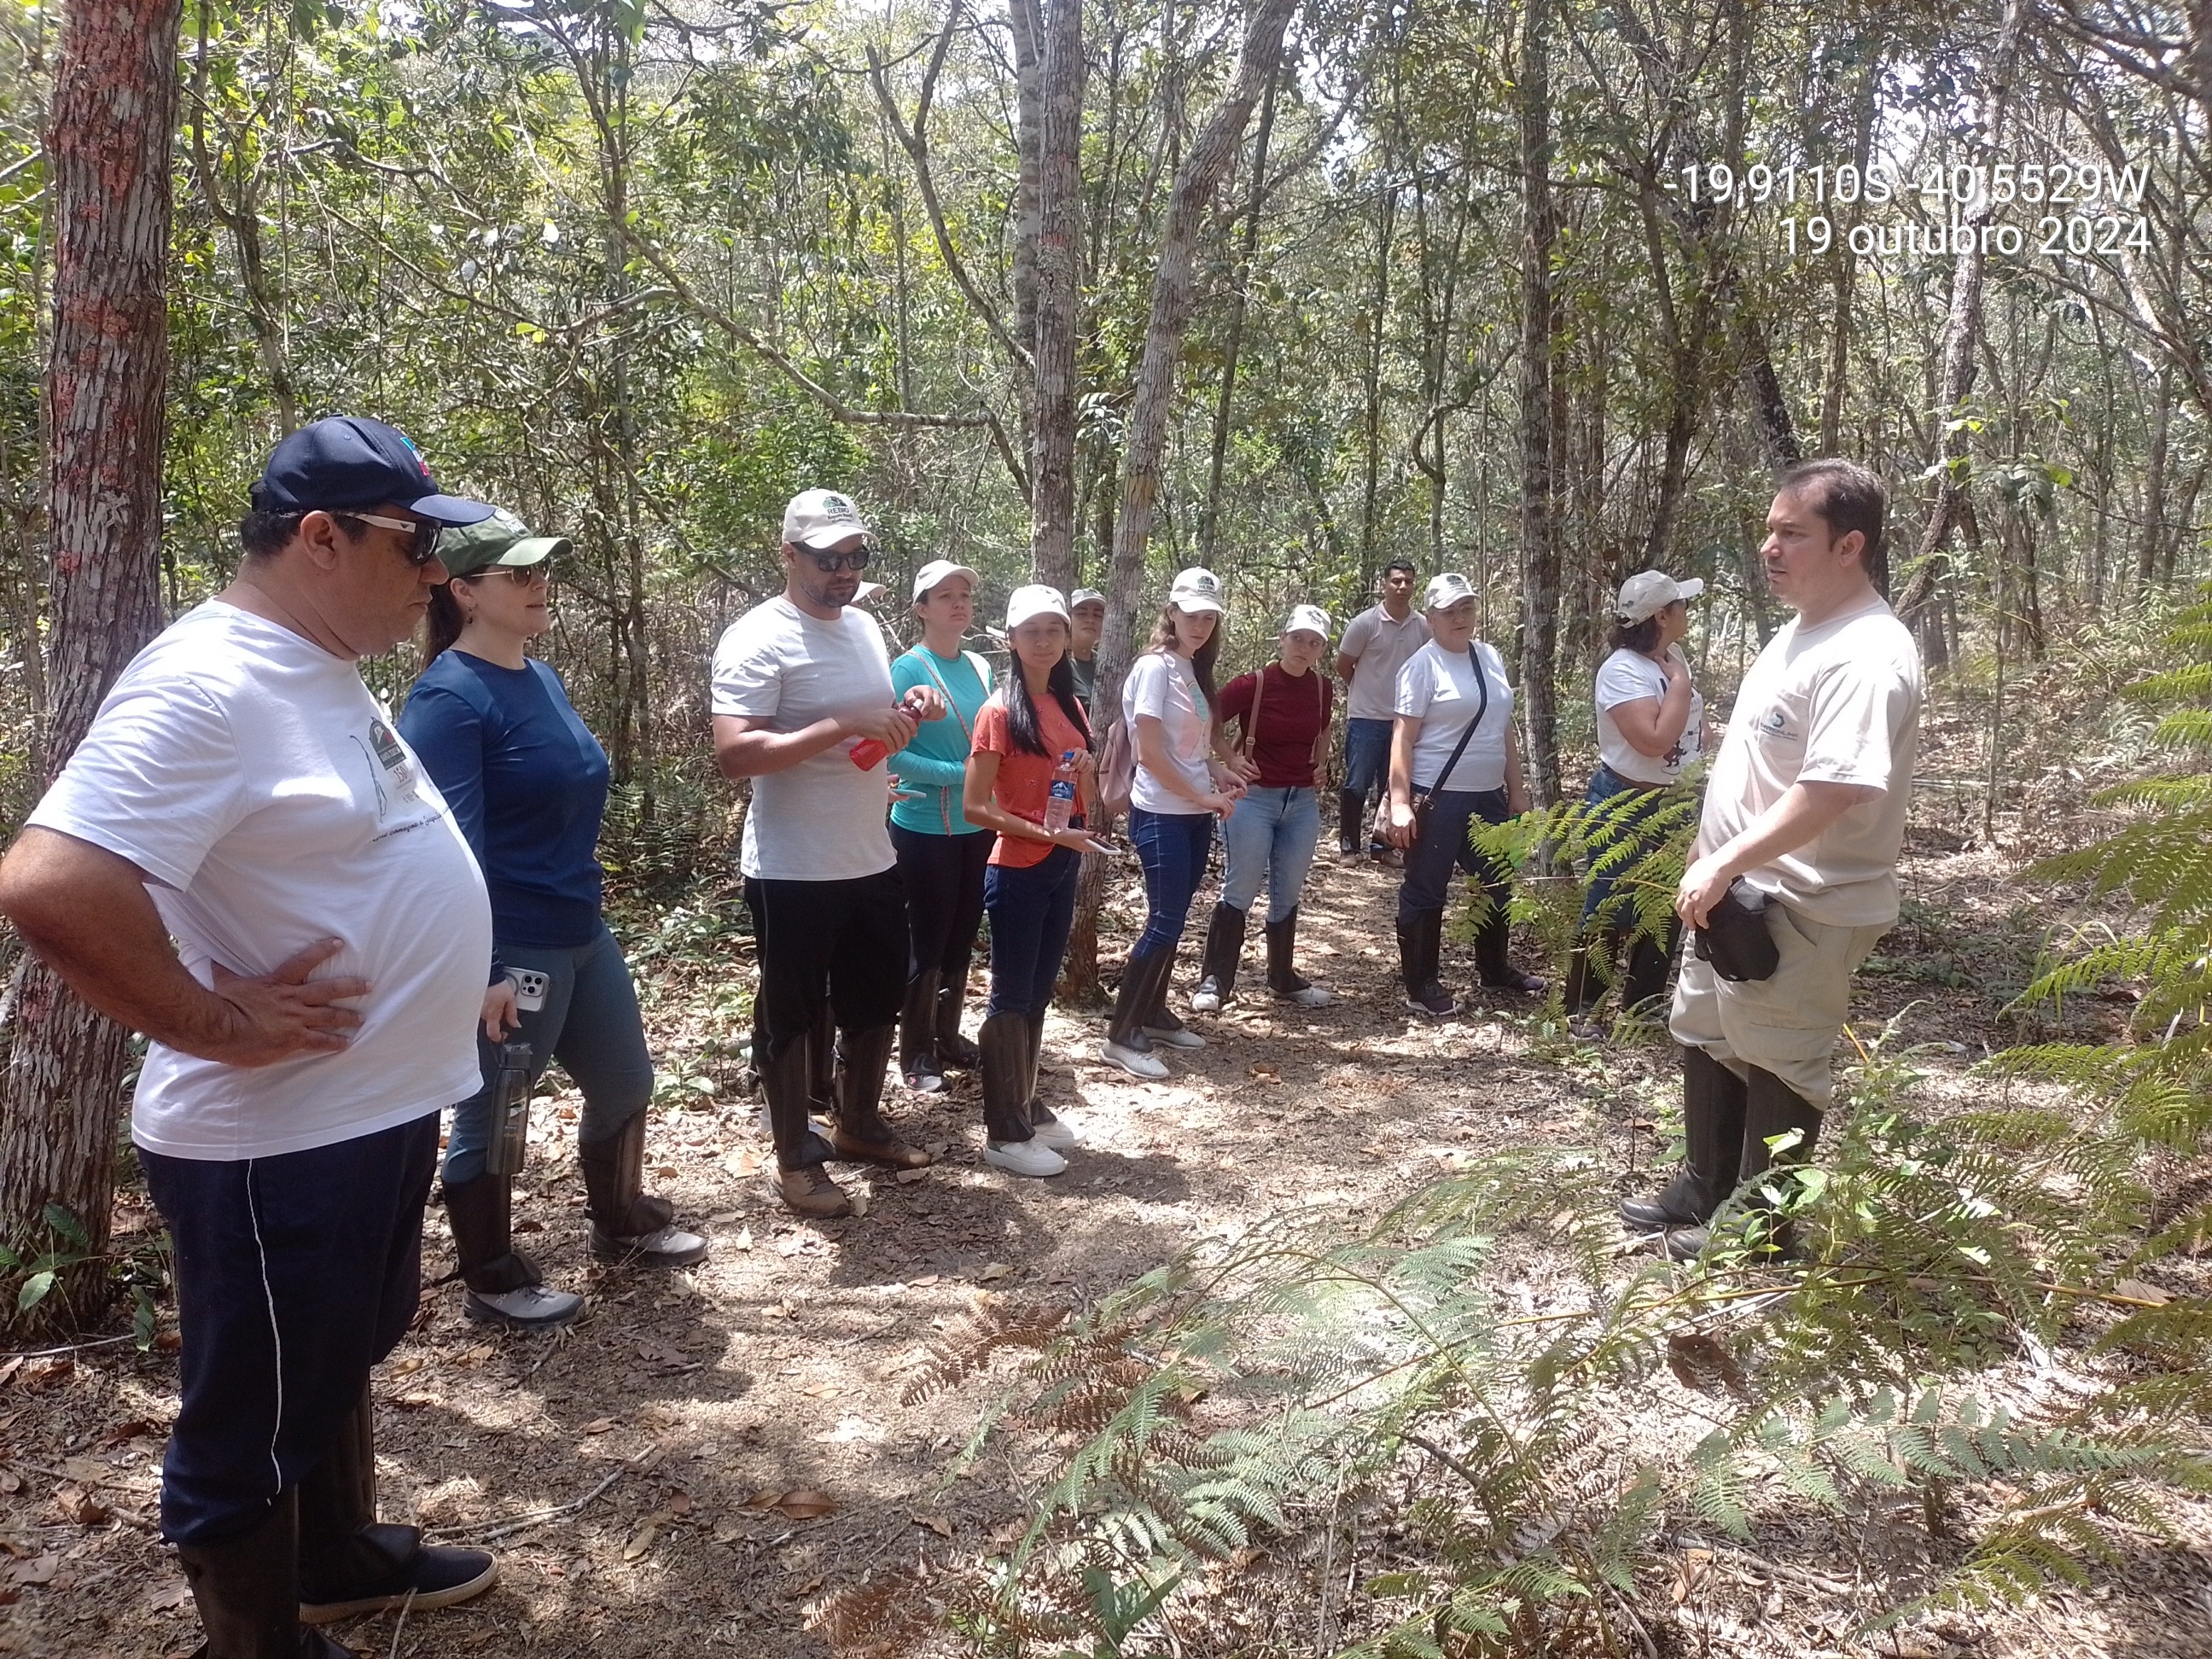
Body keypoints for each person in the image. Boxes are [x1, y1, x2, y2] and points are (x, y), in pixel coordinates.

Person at [0, 416, 502, 1657]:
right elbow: (51, 884)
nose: (434, 577)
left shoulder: (317, 664)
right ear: (319, 537)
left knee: (331, 1360)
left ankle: (329, 1557)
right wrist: (214, 1021)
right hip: (275, 1138)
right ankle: (257, 1644)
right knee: (250, 1417)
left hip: (367, 1106)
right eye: (412, 548)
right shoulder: (207, 681)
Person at [400, 509, 707, 1334]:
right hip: (515, 944)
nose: (540, 585)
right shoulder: (445, 702)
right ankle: (492, 1276)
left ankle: (620, 1222)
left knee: (625, 1081)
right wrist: (484, 965)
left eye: (542, 572)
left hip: (581, 926)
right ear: (463, 592)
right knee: (499, 1109)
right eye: (519, 575)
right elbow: (444, 848)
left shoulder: (540, 677)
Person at [1621, 461, 1922, 1260]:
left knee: (1784, 1055)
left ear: (1850, 545)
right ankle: (1706, 1187)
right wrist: (1707, 854)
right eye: (1769, 529)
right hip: (1730, 889)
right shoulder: (1797, 630)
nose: (1770, 547)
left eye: (1792, 533)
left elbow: (1836, 789)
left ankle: (1760, 1232)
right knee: (1709, 1030)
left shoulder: (1866, 652)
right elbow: (1758, 766)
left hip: (1802, 900)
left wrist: (1726, 864)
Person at [711, 489, 946, 1220]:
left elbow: (870, 726)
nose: (844, 571)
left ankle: (859, 1123)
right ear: (789, 555)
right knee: (793, 1013)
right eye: (827, 558)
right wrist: (839, 722)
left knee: (876, 1000)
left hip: (869, 852)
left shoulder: (866, 628)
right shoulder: (759, 636)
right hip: (792, 864)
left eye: (856, 557)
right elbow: (735, 753)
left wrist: (912, 713)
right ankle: (795, 1158)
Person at [961, 586, 1110, 1175]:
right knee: (1011, 994)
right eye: (1032, 631)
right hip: (1018, 869)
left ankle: (1024, 1101)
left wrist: (1086, 771)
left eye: (1053, 629)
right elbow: (976, 807)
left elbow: (1086, 797)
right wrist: (1053, 838)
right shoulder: (999, 711)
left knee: (1040, 990)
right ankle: (1003, 1132)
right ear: (1011, 640)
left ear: (1066, 636)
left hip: (1061, 861)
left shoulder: (1074, 706)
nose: (1044, 640)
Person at [1103, 568, 1244, 1079]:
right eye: (1192, 614)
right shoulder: (1154, 668)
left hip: (1191, 810)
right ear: (1172, 612)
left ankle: (1154, 1013)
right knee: (1163, 921)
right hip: (1160, 811)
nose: (1201, 624)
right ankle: (1121, 1032)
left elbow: (1188, 750)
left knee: (1176, 917)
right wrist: (1205, 797)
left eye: (1209, 616)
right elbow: (1151, 755)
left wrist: (1216, 770)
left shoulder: (1191, 670)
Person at [1386, 573, 1545, 1016]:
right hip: (1440, 797)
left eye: (1466, 608)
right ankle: (1421, 983)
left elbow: (1502, 729)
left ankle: (1494, 968)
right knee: (1427, 887)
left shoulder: (1489, 656)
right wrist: (1400, 802)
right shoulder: (1422, 665)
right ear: (1432, 618)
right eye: (1449, 611)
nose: (1459, 618)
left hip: (1487, 794)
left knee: (1497, 880)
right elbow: (1402, 738)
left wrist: (1516, 788)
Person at [1562, 570, 1708, 1039]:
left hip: (1674, 801)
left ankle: (1642, 1006)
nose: (1687, 611)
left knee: (1664, 904)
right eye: (1680, 605)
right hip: (1624, 799)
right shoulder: (1623, 669)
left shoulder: (1670, 657)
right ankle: (1583, 1009)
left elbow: (1691, 731)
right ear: (1661, 615)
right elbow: (1651, 740)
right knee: (1608, 901)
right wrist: (1682, 685)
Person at [1193, 604, 1336, 1011]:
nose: (1303, 648)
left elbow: (1324, 728)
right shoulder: (1253, 684)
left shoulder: (1323, 688)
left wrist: (1321, 763)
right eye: (1297, 639)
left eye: (1314, 643)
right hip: (1254, 799)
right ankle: (1215, 980)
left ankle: (1282, 977)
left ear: (1321, 649)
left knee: (1288, 890)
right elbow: (1208, 720)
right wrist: (1227, 760)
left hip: (1301, 802)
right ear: (1282, 639)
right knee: (1240, 887)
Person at [886, 561, 994, 1093]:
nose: (958, 603)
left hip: (977, 826)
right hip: (924, 827)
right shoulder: (907, 670)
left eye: (965, 594)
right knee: (925, 939)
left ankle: (948, 1038)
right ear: (920, 608)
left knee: (962, 935)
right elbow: (894, 756)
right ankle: (917, 1053)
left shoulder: (979, 666)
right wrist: (964, 776)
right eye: (944, 595)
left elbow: (990, 741)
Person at [1335, 559, 1430, 859]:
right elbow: (1343, 665)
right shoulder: (1365, 624)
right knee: (1356, 784)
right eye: (1396, 581)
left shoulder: (1423, 626)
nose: (1402, 587)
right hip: (1366, 718)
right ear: (1384, 584)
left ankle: (1383, 846)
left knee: (1392, 786)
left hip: (1404, 721)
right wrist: (1364, 692)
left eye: (1408, 582)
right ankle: (1349, 846)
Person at [1068, 587, 1107, 710]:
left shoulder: (1107, 666)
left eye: (1097, 615)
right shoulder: (1056, 663)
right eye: (1081, 614)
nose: (1090, 620)